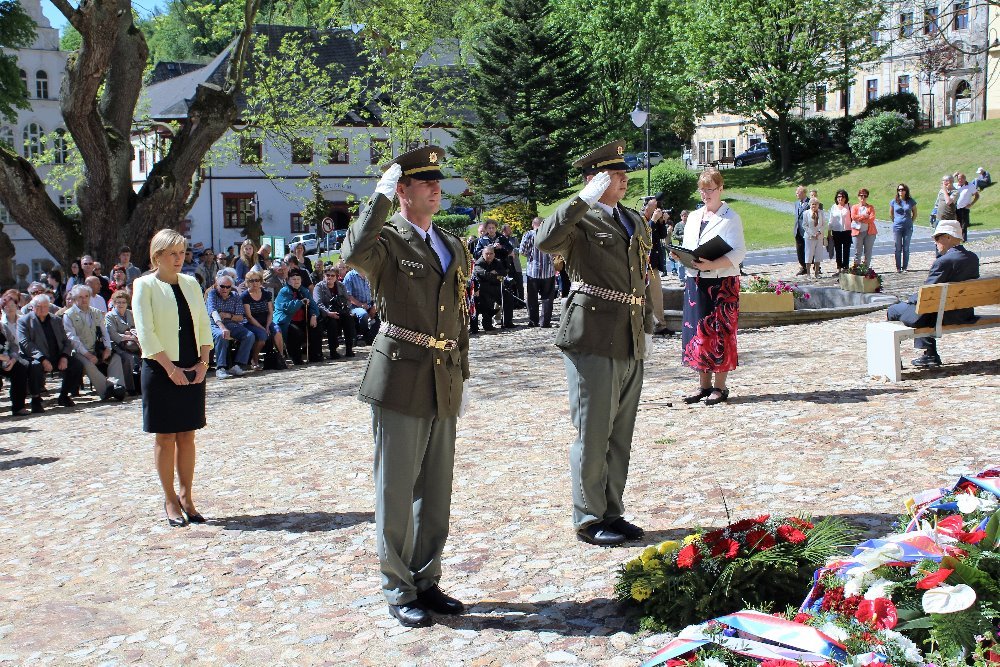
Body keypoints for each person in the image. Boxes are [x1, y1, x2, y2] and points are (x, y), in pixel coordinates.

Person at [342, 145, 472, 628]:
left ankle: (426, 578)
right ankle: (398, 587)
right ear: (402, 192)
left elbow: (458, 315)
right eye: (424, 183)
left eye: (438, 181)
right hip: (399, 374)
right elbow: (353, 252)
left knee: (435, 489)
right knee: (396, 489)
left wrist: (461, 369)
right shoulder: (388, 241)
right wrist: (376, 198)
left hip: (442, 374)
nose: (436, 188)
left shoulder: (450, 243)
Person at [536, 139, 654, 548]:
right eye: (614, 174)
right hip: (591, 334)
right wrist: (579, 200)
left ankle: (612, 510)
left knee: (620, 432)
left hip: (629, 333)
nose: (623, 179)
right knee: (593, 429)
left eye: (623, 173)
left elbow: (641, 275)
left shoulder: (633, 220)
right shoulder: (580, 220)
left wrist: (649, 322)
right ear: (594, 179)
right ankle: (588, 516)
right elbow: (545, 241)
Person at [132, 229, 213, 528]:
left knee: (188, 435)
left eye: (182, 253)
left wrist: (204, 362)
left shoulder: (191, 283)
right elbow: (146, 332)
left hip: (194, 365)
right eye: (172, 254)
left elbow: (204, 324)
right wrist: (171, 369)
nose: (179, 259)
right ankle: (169, 499)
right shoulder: (144, 285)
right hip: (160, 367)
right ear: (157, 257)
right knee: (165, 437)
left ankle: (187, 496)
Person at [674, 168, 747, 408]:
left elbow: (739, 252)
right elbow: (689, 247)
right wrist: (680, 256)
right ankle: (703, 384)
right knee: (698, 332)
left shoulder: (730, 217)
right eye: (702, 189)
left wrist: (713, 263)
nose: (705, 194)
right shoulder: (694, 217)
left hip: (721, 282)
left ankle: (720, 386)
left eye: (710, 189)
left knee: (720, 333)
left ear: (720, 189)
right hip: (696, 280)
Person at [886, 220, 979, 368]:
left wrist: (911, 299)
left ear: (948, 237)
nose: (935, 242)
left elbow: (927, 293)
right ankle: (929, 354)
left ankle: (896, 360)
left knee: (894, 309)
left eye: (937, 238)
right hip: (965, 313)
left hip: (942, 315)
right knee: (926, 308)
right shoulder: (973, 258)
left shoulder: (943, 262)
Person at [17, 294, 85, 411]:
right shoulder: (24, 321)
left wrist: (64, 356)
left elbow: (66, 341)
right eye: (39, 306)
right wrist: (42, 359)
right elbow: (25, 343)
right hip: (36, 357)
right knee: (35, 367)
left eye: (45, 306)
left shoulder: (56, 320)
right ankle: (36, 399)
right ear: (32, 307)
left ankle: (64, 395)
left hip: (56, 356)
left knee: (77, 365)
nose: (42, 309)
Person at [62, 284, 126, 401]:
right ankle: (106, 390)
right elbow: (72, 338)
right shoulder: (69, 315)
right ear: (75, 299)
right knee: (88, 364)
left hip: (97, 348)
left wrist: (108, 348)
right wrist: (87, 354)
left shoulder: (96, 312)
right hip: (79, 352)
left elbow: (104, 332)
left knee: (115, 358)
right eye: (80, 297)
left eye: (86, 296)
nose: (84, 299)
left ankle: (117, 385)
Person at [206, 271, 254, 379]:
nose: (225, 289)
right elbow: (213, 312)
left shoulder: (235, 296)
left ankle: (238, 365)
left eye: (227, 287)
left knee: (249, 335)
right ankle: (221, 368)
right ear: (217, 285)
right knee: (221, 335)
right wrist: (222, 327)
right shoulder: (212, 294)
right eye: (222, 286)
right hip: (214, 324)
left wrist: (228, 315)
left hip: (231, 323)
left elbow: (240, 317)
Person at [273, 271, 320, 364]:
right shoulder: (284, 291)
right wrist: (300, 302)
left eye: (298, 279)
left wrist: (314, 316)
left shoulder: (304, 290)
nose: (296, 281)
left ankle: (314, 355)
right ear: (288, 281)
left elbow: (313, 306)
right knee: (295, 332)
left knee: (316, 328)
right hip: (287, 320)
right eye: (293, 279)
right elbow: (287, 308)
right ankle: (296, 358)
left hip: (302, 319)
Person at [241, 269, 285, 369]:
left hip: (267, 320)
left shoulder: (266, 293)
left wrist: (268, 325)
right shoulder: (245, 296)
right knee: (262, 336)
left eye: (257, 280)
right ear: (247, 282)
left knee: (277, 331)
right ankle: (254, 359)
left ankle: (281, 357)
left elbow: (270, 311)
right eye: (251, 281)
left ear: (260, 281)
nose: (255, 283)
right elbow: (249, 316)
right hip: (251, 323)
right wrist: (262, 328)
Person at [519, 217, 556, 328]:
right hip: (548, 271)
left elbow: (522, 251)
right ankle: (545, 322)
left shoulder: (529, 235)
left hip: (533, 271)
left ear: (533, 224)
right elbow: (556, 251)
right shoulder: (550, 234)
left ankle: (533, 321)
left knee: (532, 298)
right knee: (547, 298)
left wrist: (531, 255)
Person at [313, 264, 356, 359]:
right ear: (324, 276)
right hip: (325, 314)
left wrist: (344, 307)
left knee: (349, 320)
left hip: (340, 311)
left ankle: (349, 348)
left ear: (336, 276)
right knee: (332, 323)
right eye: (328, 275)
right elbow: (318, 303)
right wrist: (328, 313)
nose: (330, 277)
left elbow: (348, 299)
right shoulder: (319, 287)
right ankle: (333, 351)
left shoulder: (341, 285)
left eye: (333, 275)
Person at [641, 197, 670, 333]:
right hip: (644, 265)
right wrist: (652, 220)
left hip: (654, 265)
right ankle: (654, 325)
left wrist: (661, 221)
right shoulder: (640, 219)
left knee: (657, 295)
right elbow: (645, 236)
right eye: (654, 207)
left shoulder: (655, 221)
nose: (657, 210)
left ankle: (660, 325)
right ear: (646, 207)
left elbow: (663, 235)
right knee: (647, 297)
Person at [0, 291, 30, 415]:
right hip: (2, 359)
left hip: (7, 360)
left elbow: (13, 345)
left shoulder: (3, 328)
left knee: (20, 369)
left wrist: (12, 359)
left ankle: (18, 407)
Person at [106, 290, 141, 395]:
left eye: (123, 302)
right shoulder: (109, 316)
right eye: (118, 302)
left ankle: (141, 386)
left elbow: (136, 328)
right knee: (127, 358)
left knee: (143, 357)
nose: (121, 305)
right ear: (114, 303)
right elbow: (113, 334)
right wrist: (130, 336)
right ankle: (130, 388)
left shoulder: (130, 313)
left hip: (133, 345)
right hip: (116, 345)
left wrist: (130, 335)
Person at [472, 245, 506, 331]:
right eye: (487, 254)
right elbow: (485, 275)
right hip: (481, 290)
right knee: (486, 301)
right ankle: (483, 325)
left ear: (494, 254)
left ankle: (507, 322)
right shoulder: (478, 263)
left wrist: (495, 275)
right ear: (483, 254)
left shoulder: (497, 262)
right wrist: (495, 276)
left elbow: (503, 273)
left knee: (508, 297)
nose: (489, 256)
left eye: (491, 254)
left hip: (495, 288)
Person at [343, 266, 380, 344]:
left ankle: (370, 337)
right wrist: (361, 305)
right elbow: (348, 296)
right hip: (354, 306)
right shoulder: (350, 276)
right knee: (363, 314)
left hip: (370, 304)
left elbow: (376, 291)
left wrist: (374, 306)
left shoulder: (370, 275)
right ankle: (364, 336)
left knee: (381, 313)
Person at [889, 183, 917, 273]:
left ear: (906, 191)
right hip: (897, 226)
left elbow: (915, 213)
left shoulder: (910, 201)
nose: (900, 191)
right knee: (898, 247)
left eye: (902, 190)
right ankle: (898, 267)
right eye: (899, 190)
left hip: (908, 227)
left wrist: (911, 221)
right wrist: (895, 221)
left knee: (906, 247)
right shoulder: (894, 201)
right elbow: (891, 214)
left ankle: (905, 267)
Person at [828, 190, 853, 275]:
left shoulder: (849, 206)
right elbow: (831, 220)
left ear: (845, 198)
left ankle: (845, 268)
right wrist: (829, 232)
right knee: (838, 250)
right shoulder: (834, 207)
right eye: (839, 197)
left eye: (842, 197)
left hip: (847, 231)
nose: (840, 198)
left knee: (846, 250)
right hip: (836, 231)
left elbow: (853, 218)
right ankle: (839, 268)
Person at [802, 197, 827, 278]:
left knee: (818, 254)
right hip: (809, 237)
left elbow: (823, 224)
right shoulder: (806, 213)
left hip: (819, 237)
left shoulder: (821, 213)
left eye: (815, 204)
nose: (814, 206)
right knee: (809, 254)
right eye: (812, 204)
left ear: (818, 205)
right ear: (810, 205)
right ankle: (808, 273)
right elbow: (804, 225)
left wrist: (819, 232)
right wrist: (812, 234)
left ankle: (816, 273)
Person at [851, 189, 877, 266]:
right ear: (858, 196)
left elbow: (871, 219)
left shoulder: (870, 207)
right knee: (857, 252)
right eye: (861, 195)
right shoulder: (854, 207)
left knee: (868, 253)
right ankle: (856, 271)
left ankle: (866, 270)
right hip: (857, 232)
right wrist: (864, 216)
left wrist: (861, 219)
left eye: (865, 196)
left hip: (869, 233)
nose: (863, 197)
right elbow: (853, 217)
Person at [954, 172, 979, 241]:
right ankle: (957, 239)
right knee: (956, 224)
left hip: (964, 208)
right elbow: (946, 184)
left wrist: (971, 204)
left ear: (965, 179)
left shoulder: (970, 186)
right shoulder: (955, 185)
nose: (960, 180)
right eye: (959, 179)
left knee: (964, 225)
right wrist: (954, 175)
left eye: (962, 178)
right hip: (955, 208)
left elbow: (977, 195)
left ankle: (964, 240)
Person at [793, 186, 810, 275]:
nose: (796, 194)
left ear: (803, 193)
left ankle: (810, 266)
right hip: (798, 229)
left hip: (806, 230)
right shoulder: (796, 203)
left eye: (798, 192)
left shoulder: (809, 203)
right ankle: (803, 266)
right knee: (799, 249)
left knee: (808, 249)